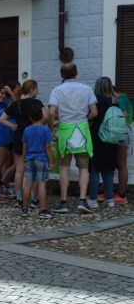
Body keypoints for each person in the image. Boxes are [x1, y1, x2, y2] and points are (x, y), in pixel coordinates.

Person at [48, 62, 97, 213]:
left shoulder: (57, 90)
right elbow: (95, 112)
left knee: (64, 168)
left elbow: (51, 112)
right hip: (82, 131)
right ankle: (82, 200)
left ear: (61, 74)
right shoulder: (87, 89)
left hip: (64, 132)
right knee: (84, 168)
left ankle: (64, 202)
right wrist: (85, 120)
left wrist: (52, 129)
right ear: (76, 73)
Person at [0, 79, 46, 204]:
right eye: (36, 89)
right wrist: (38, 125)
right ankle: (34, 197)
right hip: (33, 137)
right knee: (34, 169)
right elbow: (46, 117)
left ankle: (19, 197)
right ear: (32, 90)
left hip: (18, 136)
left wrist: (13, 125)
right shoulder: (36, 102)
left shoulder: (16, 104)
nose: (37, 91)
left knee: (20, 170)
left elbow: (1, 119)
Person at [86, 77, 119, 208]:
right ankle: (109, 199)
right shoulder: (115, 101)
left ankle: (93, 199)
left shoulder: (96, 100)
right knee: (108, 168)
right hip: (112, 137)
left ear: (98, 86)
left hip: (97, 136)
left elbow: (93, 115)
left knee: (94, 168)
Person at [20, 104, 53, 218]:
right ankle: (42, 210)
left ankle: (24, 209)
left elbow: (24, 146)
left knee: (28, 184)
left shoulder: (27, 130)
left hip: (29, 159)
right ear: (42, 116)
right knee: (41, 184)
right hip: (42, 159)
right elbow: (47, 147)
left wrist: (24, 159)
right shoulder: (45, 129)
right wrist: (51, 161)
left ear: (30, 117)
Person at [113, 83, 132, 202]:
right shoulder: (124, 97)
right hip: (125, 132)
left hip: (122, 132)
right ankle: (119, 193)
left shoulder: (120, 98)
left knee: (121, 164)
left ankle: (121, 194)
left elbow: (124, 115)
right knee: (120, 164)